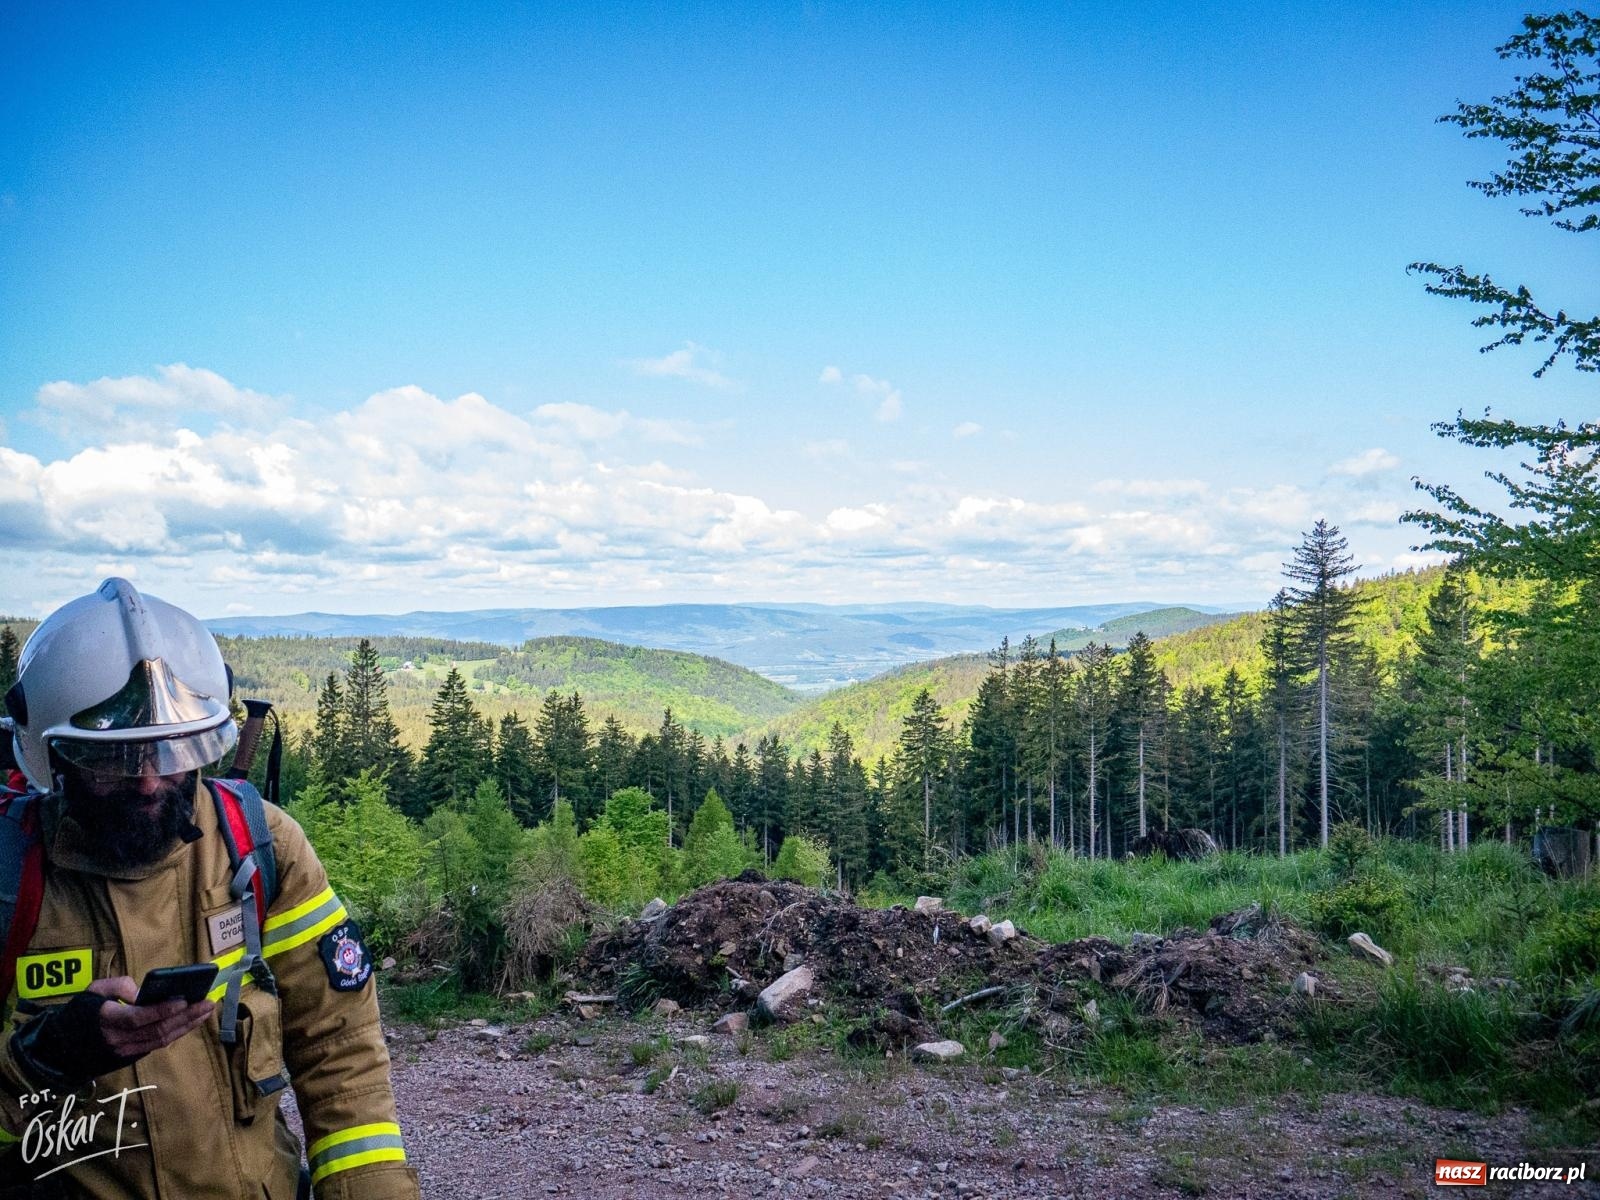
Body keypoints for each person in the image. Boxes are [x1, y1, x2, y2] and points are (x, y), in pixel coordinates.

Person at [0, 579, 421, 1199]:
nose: (150, 783)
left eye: (173, 749)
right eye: (117, 761)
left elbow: (338, 1048)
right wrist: (43, 1058)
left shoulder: (261, 848)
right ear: (54, 760)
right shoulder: (12, 875)